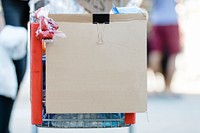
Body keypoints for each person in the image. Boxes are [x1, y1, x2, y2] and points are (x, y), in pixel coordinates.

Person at [0, 0, 29, 133]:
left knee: (19, 71)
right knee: (7, 80)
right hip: (8, 8)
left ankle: (4, 126)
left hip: (25, 7)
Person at [142, 0, 181, 93]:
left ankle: (157, 84)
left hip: (157, 21)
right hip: (172, 21)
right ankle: (167, 87)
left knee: (155, 54)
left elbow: (145, 3)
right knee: (173, 56)